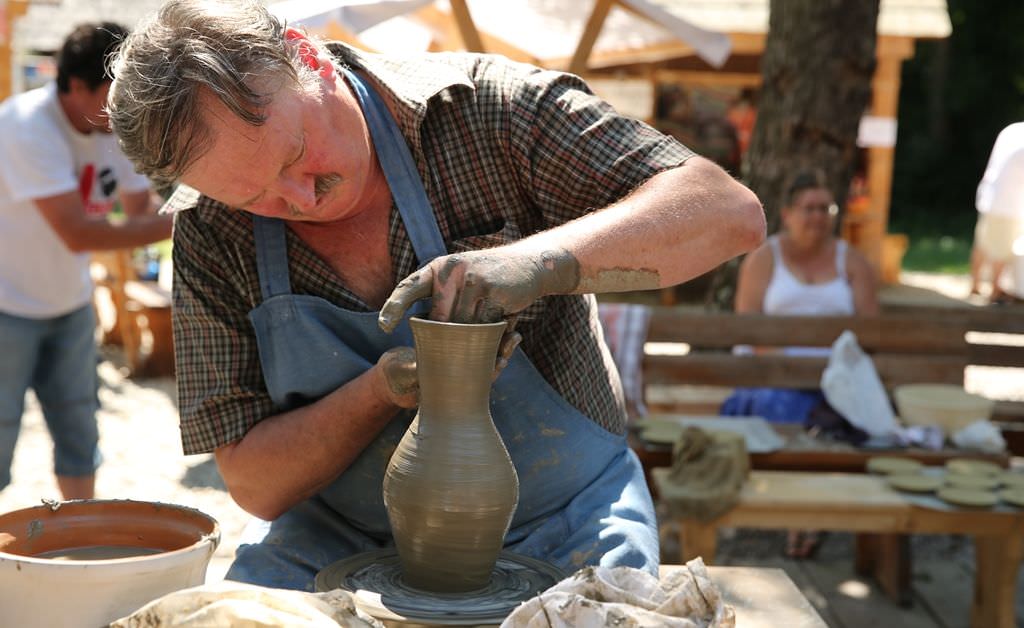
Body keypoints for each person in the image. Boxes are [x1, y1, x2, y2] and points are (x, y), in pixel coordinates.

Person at [108, 0, 765, 591]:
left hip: (565, 517)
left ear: (307, 56)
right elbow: (254, 485)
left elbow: (728, 214)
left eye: (296, 155)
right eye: (258, 199)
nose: (301, 201)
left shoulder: (490, 112)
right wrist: (377, 393)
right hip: (340, 539)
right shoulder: (208, 228)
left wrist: (540, 263)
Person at [0, 23, 172, 501]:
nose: (123, 104)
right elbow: (79, 235)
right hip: (7, 307)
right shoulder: (25, 126)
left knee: (79, 434)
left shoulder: (108, 125)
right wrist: (182, 223)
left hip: (70, 304)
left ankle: (81, 537)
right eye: (114, 91)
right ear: (76, 86)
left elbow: (139, 210)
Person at [724, 169, 877, 557]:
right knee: (787, 407)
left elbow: (873, 334)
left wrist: (832, 372)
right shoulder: (764, 259)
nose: (817, 216)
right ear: (788, 214)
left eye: (825, 208)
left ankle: (814, 512)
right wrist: (789, 368)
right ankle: (801, 515)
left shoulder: (852, 262)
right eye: (808, 208)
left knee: (853, 416)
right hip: (772, 373)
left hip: (836, 377)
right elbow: (749, 331)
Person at [969, 122, 1024, 303]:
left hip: (990, 195)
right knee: (1001, 248)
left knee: (983, 243)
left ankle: (975, 284)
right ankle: (995, 290)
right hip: (1007, 202)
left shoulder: (1013, 130)